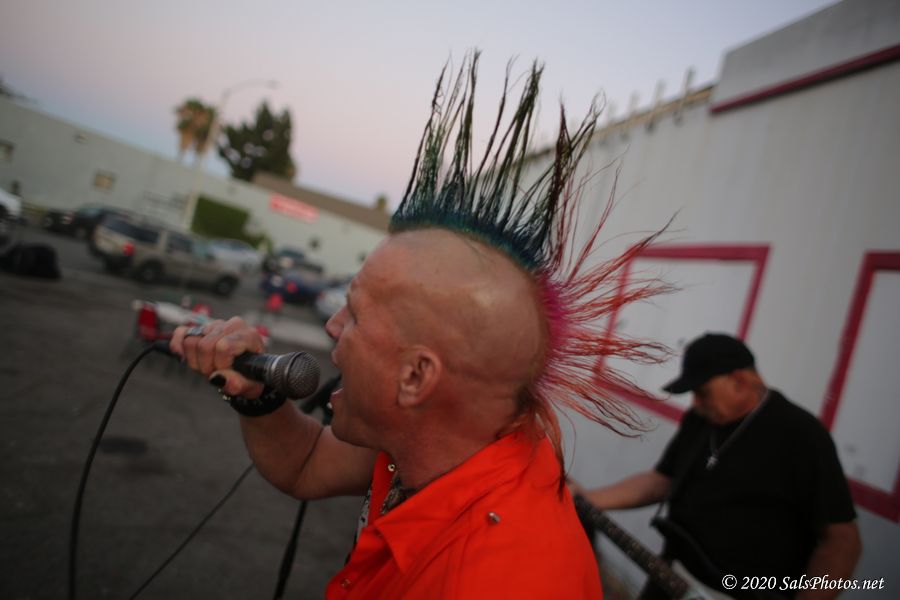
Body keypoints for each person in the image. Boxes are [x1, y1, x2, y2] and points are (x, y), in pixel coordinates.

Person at [171, 54, 667, 598]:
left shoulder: (492, 582)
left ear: (415, 377)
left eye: (355, 312)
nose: (333, 325)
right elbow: (307, 464)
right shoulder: (450, 439)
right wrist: (257, 398)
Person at [576, 333, 861, 600]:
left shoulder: (801, 434)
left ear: (740, 381)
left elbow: (842, 540)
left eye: (703, 392)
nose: (696, 402)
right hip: (673, 578)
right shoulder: (701, 419)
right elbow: (662, 480)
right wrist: (585, 499)